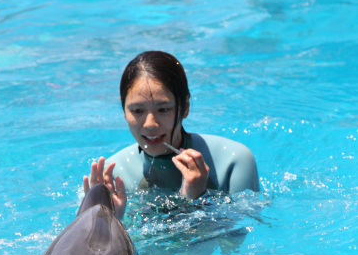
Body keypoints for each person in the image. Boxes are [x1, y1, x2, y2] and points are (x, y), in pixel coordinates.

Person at [83, 51, 260, 220]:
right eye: (137, 110)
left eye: (163, 109)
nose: (150, 124)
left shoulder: (232, 162)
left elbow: (237, 245)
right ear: (124, 109)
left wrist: (199, 200)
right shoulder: (110, 176)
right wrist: (110, 222)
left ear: (186, 107)